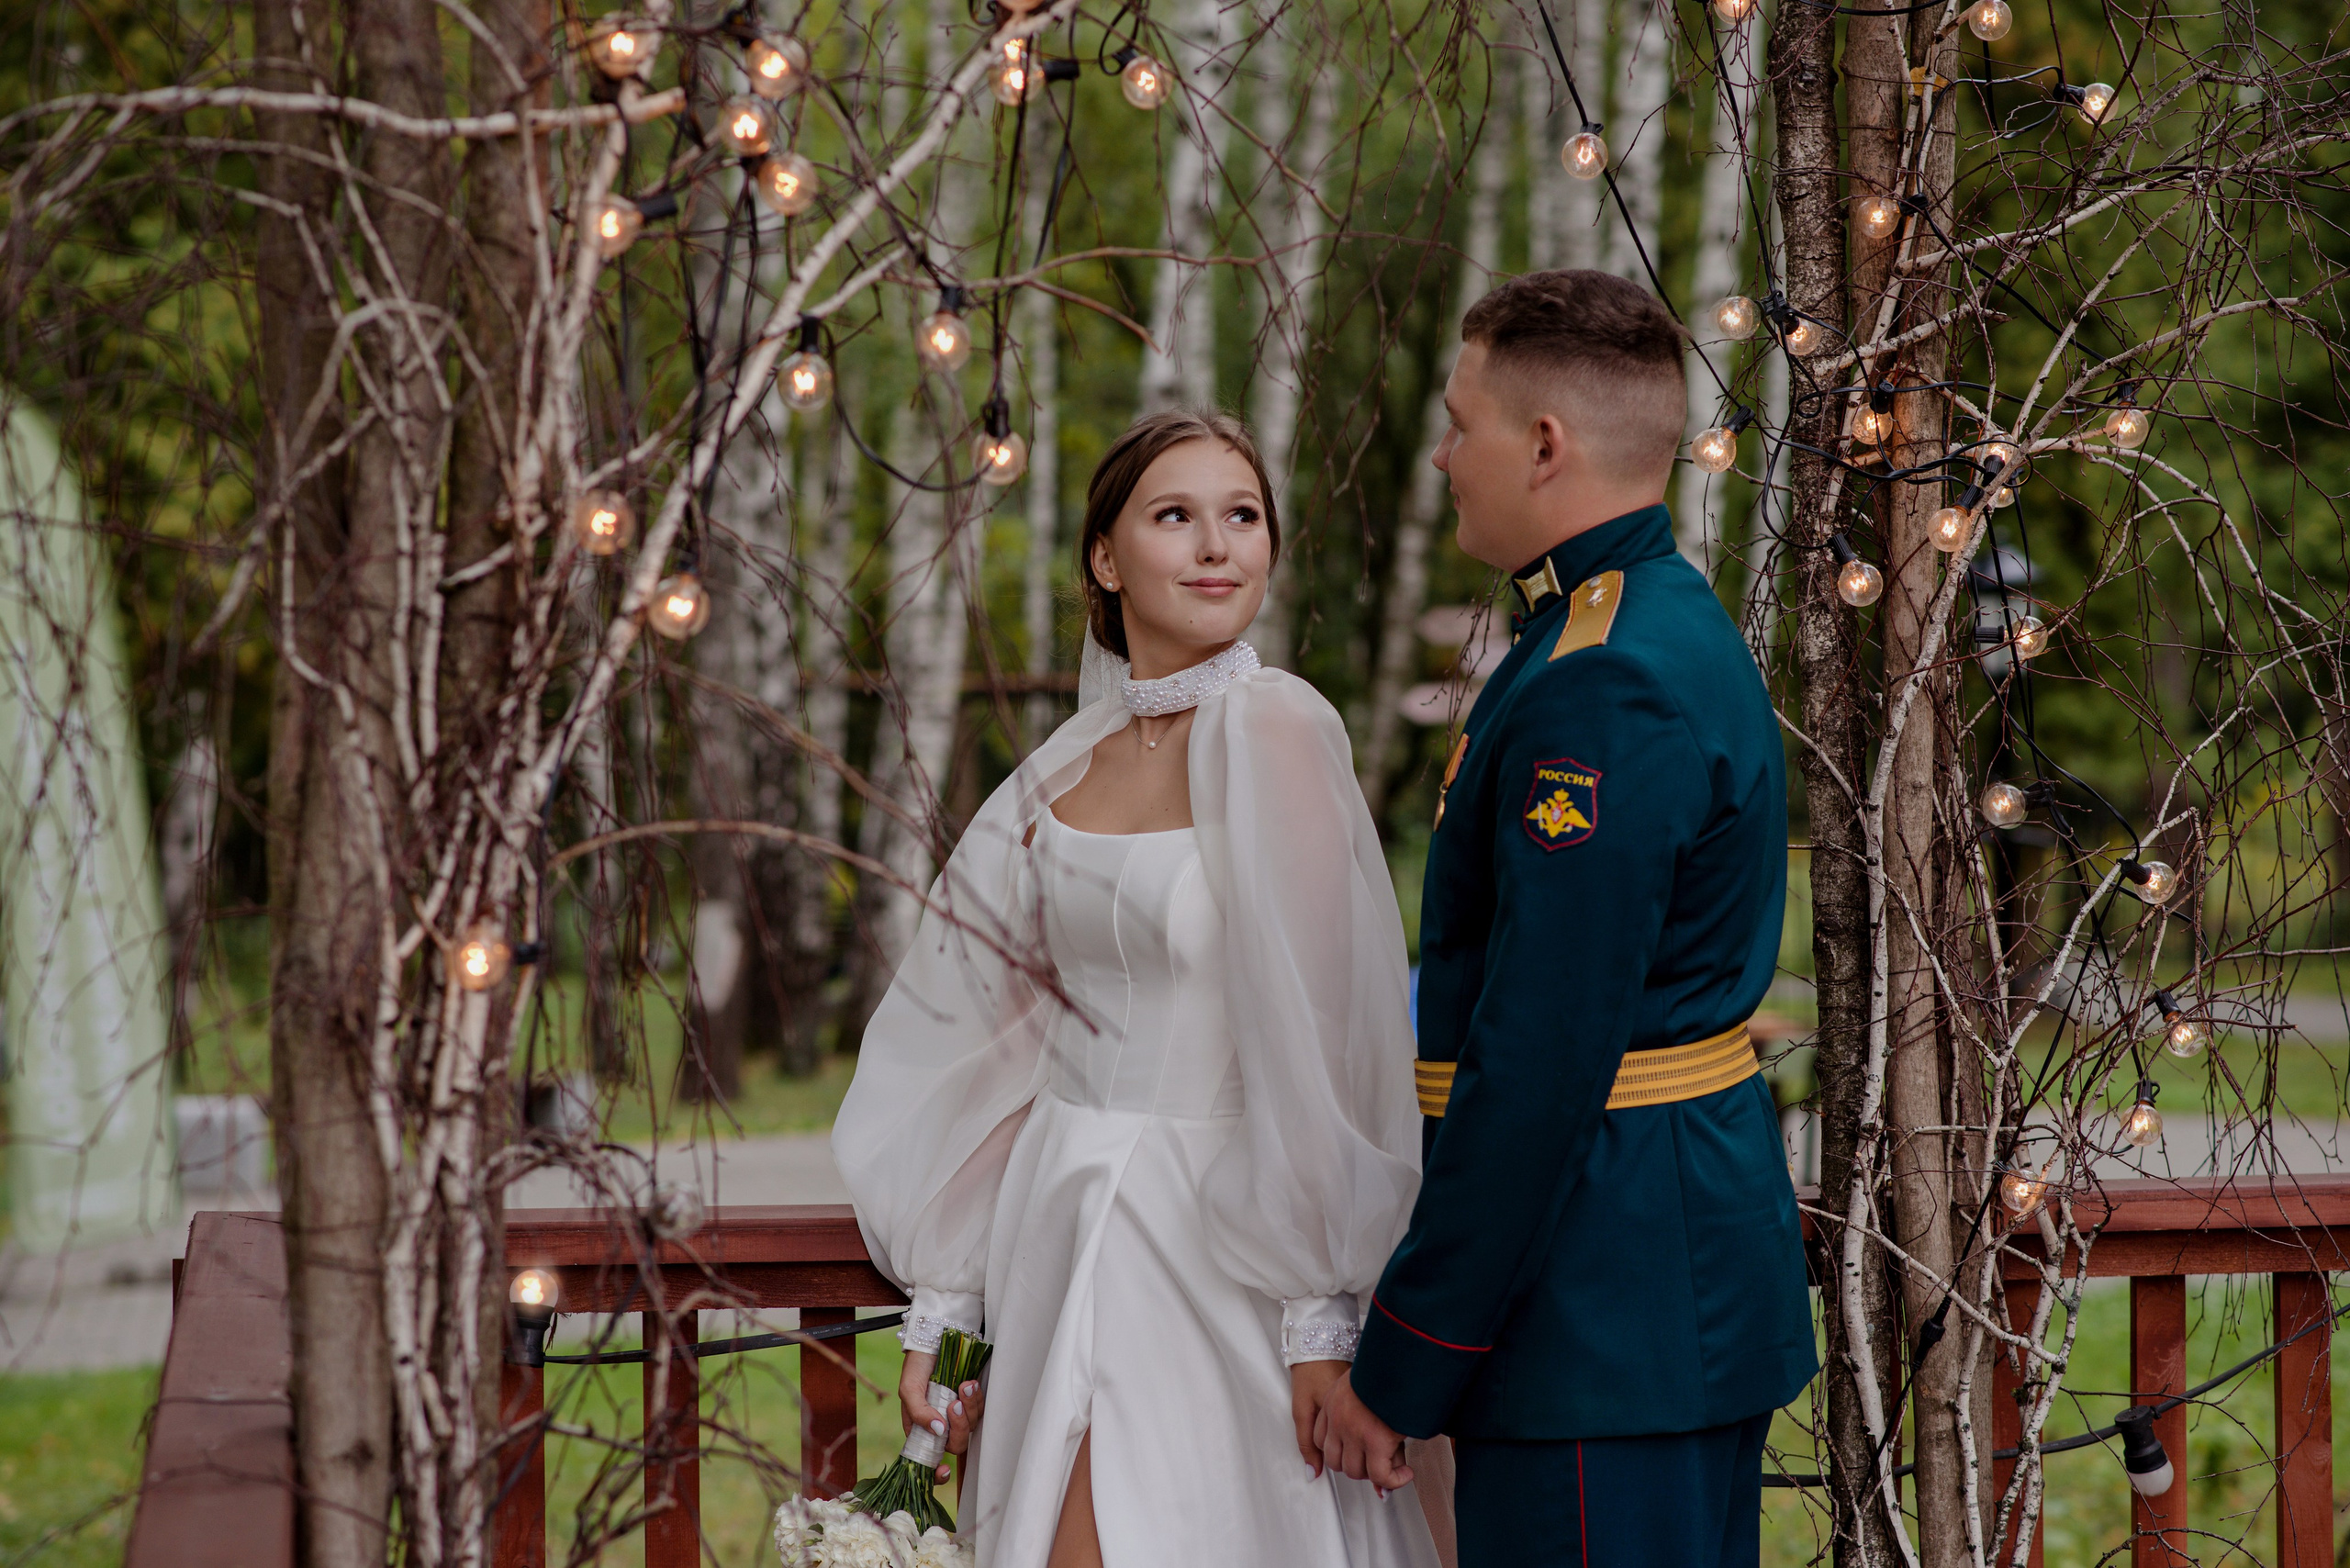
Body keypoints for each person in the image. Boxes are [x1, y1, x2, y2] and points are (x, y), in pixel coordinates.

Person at [834, 410, 1445, 1568]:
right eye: (1175, 516)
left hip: (1225, 1247)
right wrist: (946, 1306)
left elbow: (1323, 1039)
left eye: (1242, 515)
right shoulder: (1065, 762)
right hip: (1057, 1223)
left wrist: (1320, 1316)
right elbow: (983, 1044)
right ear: (1106, 560)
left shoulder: (1279, 729)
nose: (1217, 545)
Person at [1314, 270, 1818, 1566]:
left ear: (1544, 445)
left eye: (1458, 423)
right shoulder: (1642, 622)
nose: (1442, 456)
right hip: (1648, 1284)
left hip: (1602, 1305)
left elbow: (1540, 1058)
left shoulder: (1601, 684)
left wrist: (1406, 1359)